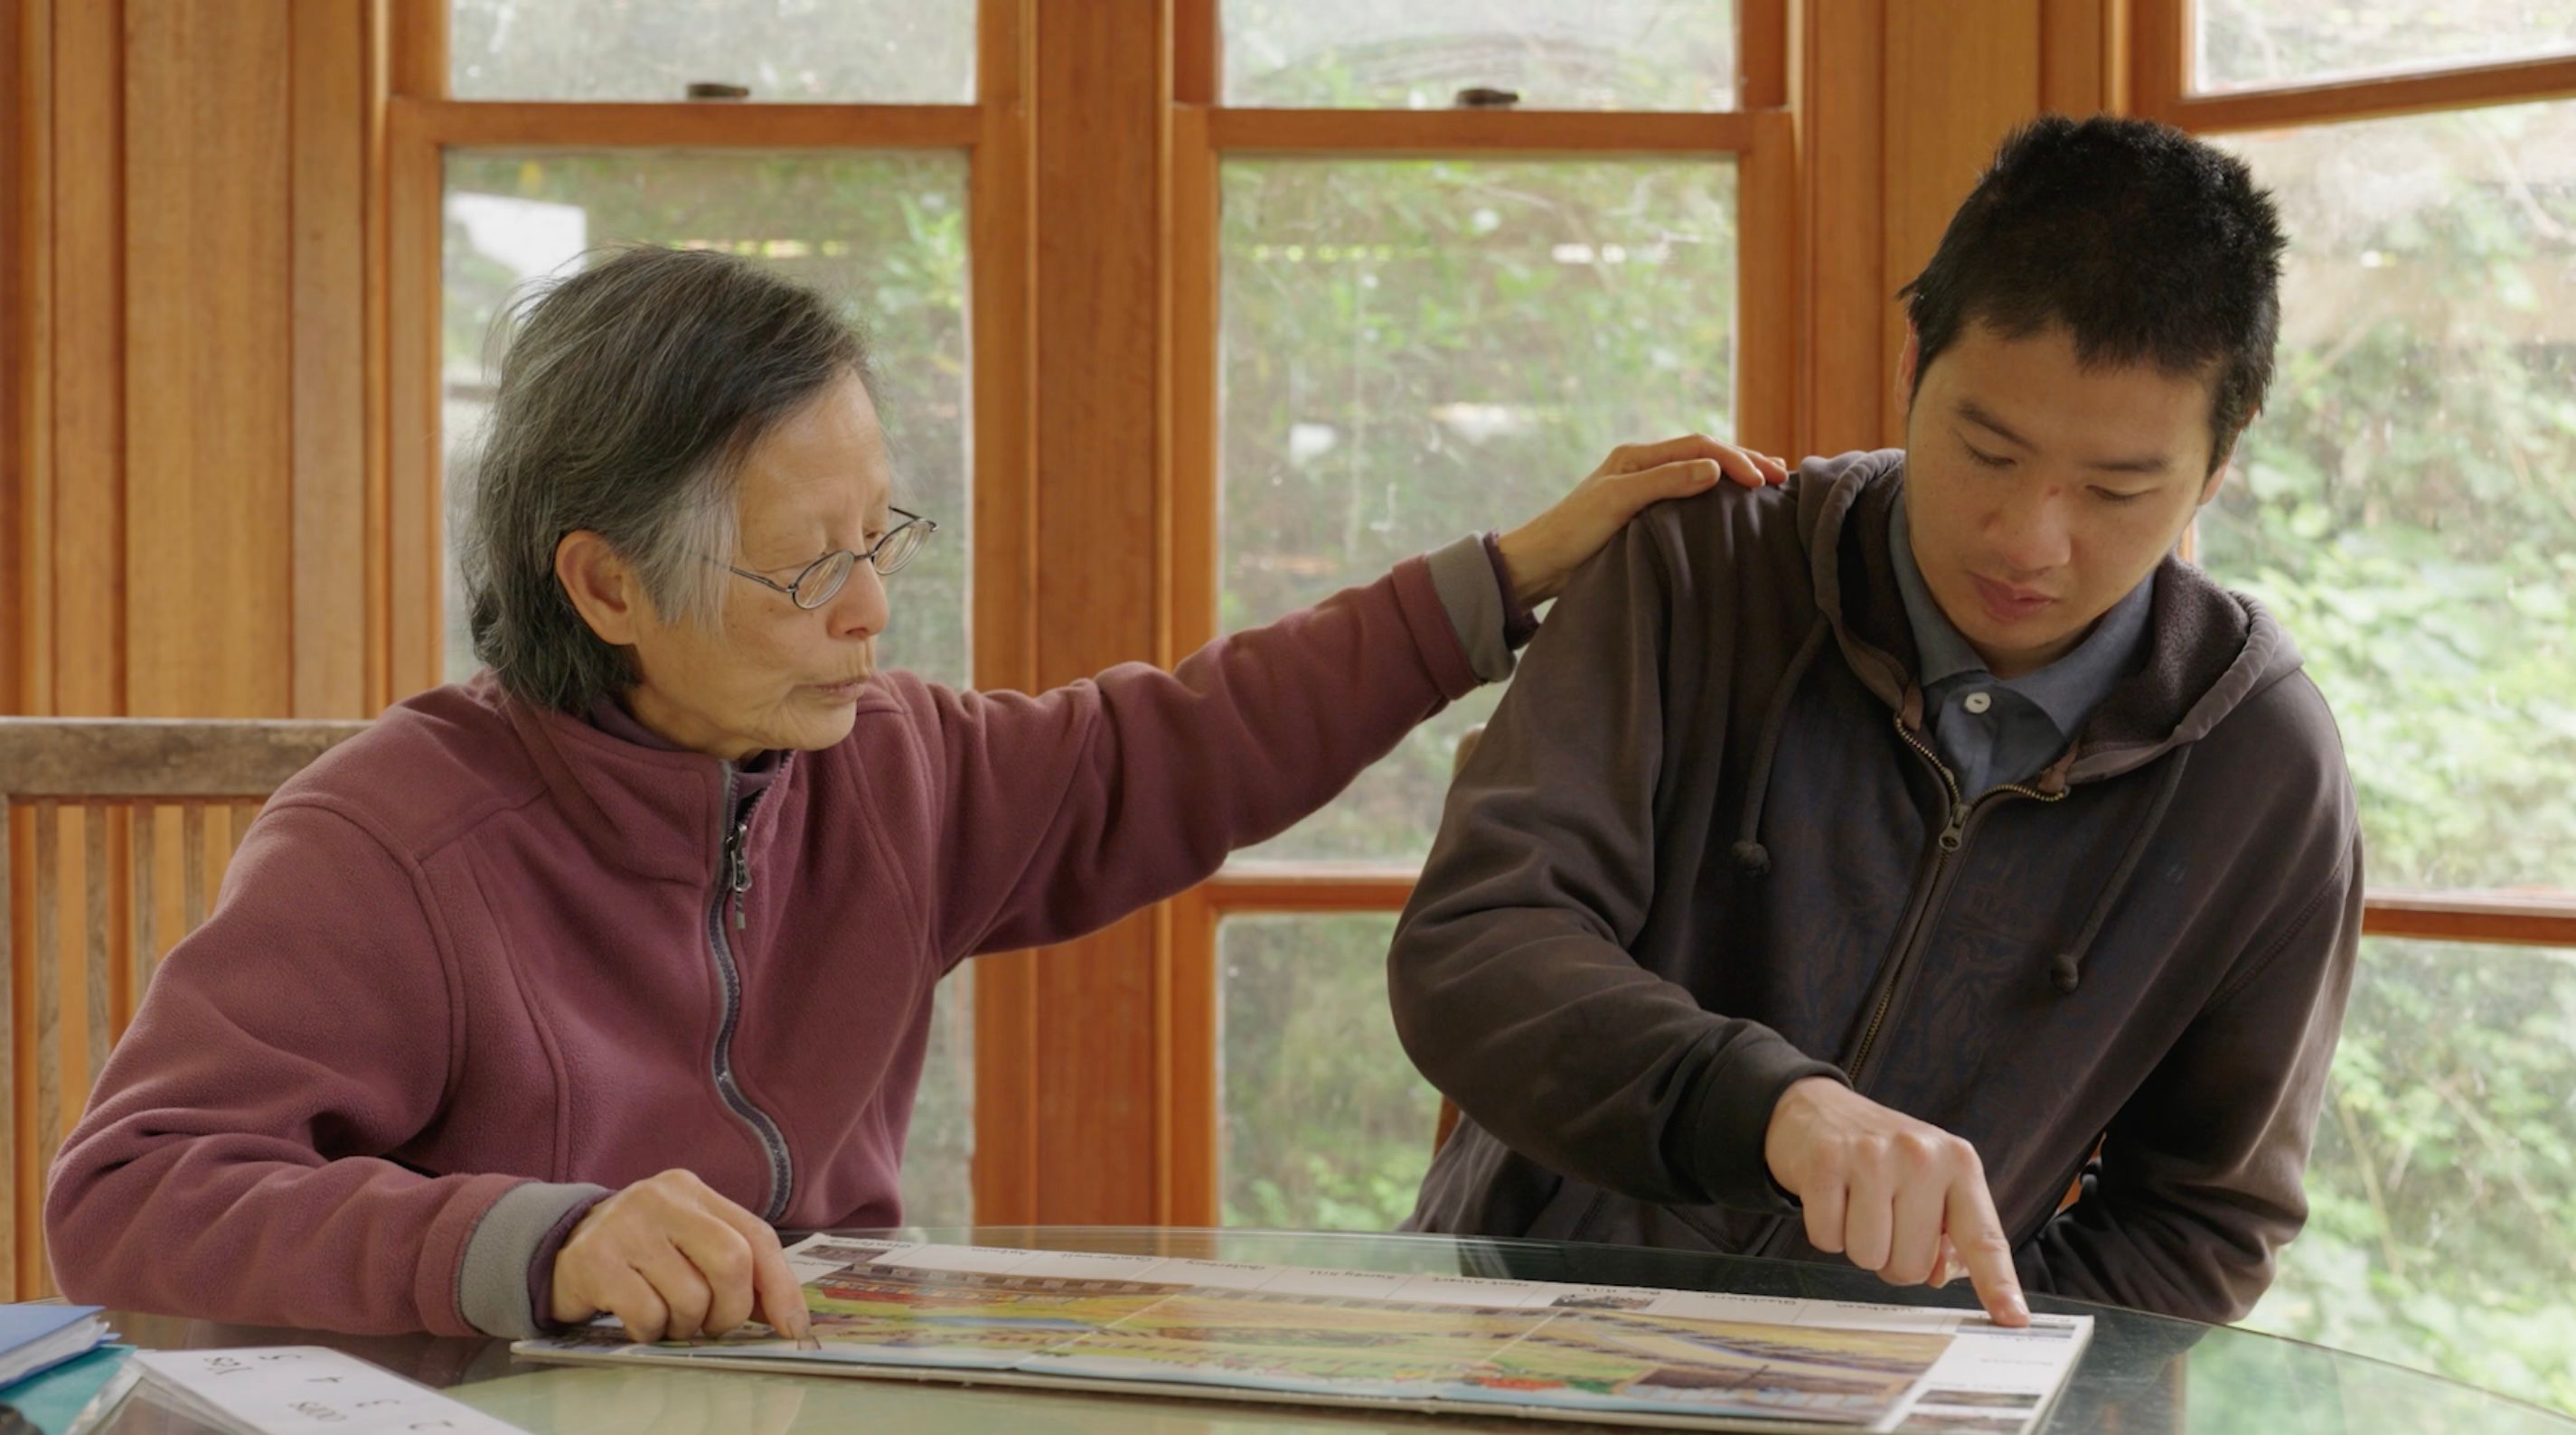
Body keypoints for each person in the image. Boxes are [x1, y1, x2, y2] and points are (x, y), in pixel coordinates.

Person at [45, 245, 1787, 1341]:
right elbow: (126, 1194)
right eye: (809, 567)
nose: (873, 607)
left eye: (877, 532)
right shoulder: (396, 837)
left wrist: (1497, 579)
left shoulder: (886, 769)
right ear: (603, 588)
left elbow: (1177, 742)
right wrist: (531, 1238)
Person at [1391, 115, 2361, 1328]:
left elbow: (2199, 1221)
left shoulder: (2260, 766)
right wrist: (1768, 1108)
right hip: (1517, 1342)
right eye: (1985, 449)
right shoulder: (1695, 573)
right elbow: (1474, 948)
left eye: (2117, 490)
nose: (2029, 541)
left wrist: (1965, 1363)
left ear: (2215, 471)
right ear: (1912, 367)